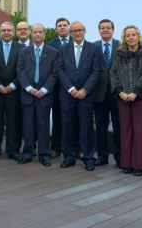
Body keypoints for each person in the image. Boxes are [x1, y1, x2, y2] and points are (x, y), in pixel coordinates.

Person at [110, 25, 142, 176]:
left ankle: (140, 165)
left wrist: (135, 92)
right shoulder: (119, 54)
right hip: (123, 98)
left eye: (133, 35)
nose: (131, 37)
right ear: (124, 38)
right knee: (125, 130)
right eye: (127, 35)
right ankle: (127, 164)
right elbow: (113, 73)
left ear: (138, 36)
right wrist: (120, 92)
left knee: (141, 132)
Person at [57, 21, 101, 171]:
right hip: (67, 95)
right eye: (74, 31)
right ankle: (68, 157)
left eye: (79, 30)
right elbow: (60, 70)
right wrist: (70, 89)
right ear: (70, 33)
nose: (77, 33)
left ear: (85, 31)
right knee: (67, 127)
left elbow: (96, 71)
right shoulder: (63, 49)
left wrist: (85, 90)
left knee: (86, 127)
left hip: (86, 96)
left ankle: (88, 158)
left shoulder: (93, 48)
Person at [16, 23, 59, 166]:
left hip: (44, 95)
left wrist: (45, 89)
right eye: (35, 32)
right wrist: (29, 88)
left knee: (43, 125)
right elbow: (20, 71)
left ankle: (44, 154)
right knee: (27, 126)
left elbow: (54, 73)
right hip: (28, 94)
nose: (37, 34)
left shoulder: (53, 52)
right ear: (31, 34)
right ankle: (27, 153)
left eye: (40, 32)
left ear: (44, 34)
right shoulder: (23, 51)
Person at [0, 22, 22, 160]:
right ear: (0, 32)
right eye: (4, 30)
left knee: (13, 123)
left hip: (14, 91)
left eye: (9, 30)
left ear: (13, 32)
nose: (6, 32)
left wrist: (12, 86)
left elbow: (23, 70)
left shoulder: (21, 48)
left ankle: (12, 150)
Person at [93, 19, 121, 167]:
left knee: (118, 126)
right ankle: (102, 157)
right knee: (101, 126)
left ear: (113, 30)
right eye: (102, 28)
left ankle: (120, 158)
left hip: (117, 93)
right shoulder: (93, 46)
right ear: (99, 30)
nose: (105, 30)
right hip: (99, 93)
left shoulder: (121, 46)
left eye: (108, 27)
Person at [45, 17, 71, 158]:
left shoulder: (76, 42)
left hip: (73, 87)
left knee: (74, 119)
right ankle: (56, 147)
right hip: (56, 87)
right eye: (59, 25)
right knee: (57, 118)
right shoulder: (49, 45)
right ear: (56, 29)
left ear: (69, 27)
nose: (62, 27)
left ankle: (75, 148)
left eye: (64, 25)